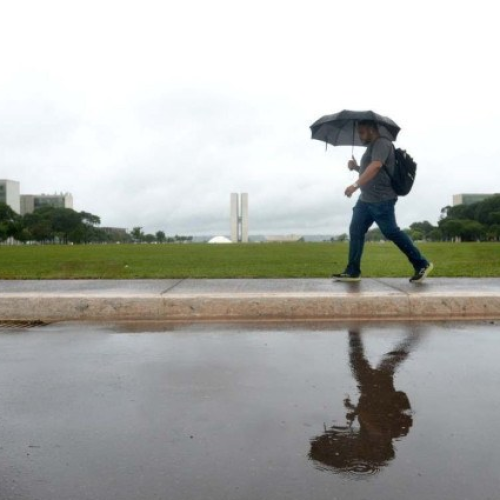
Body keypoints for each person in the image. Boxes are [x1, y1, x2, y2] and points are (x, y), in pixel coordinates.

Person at [332, 120, 433, 283]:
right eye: (358, 132)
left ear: (372, 129)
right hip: (365, 201)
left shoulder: (382, 143)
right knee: (356, 230)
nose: (360, 135)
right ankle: (352, 271)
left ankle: (421, 263)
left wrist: (355, 185)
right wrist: (356, 167)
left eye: (362, 132)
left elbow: (376, 167)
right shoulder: (371, 146)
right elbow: (370, 171)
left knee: (391, 232)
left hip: (382, 200)